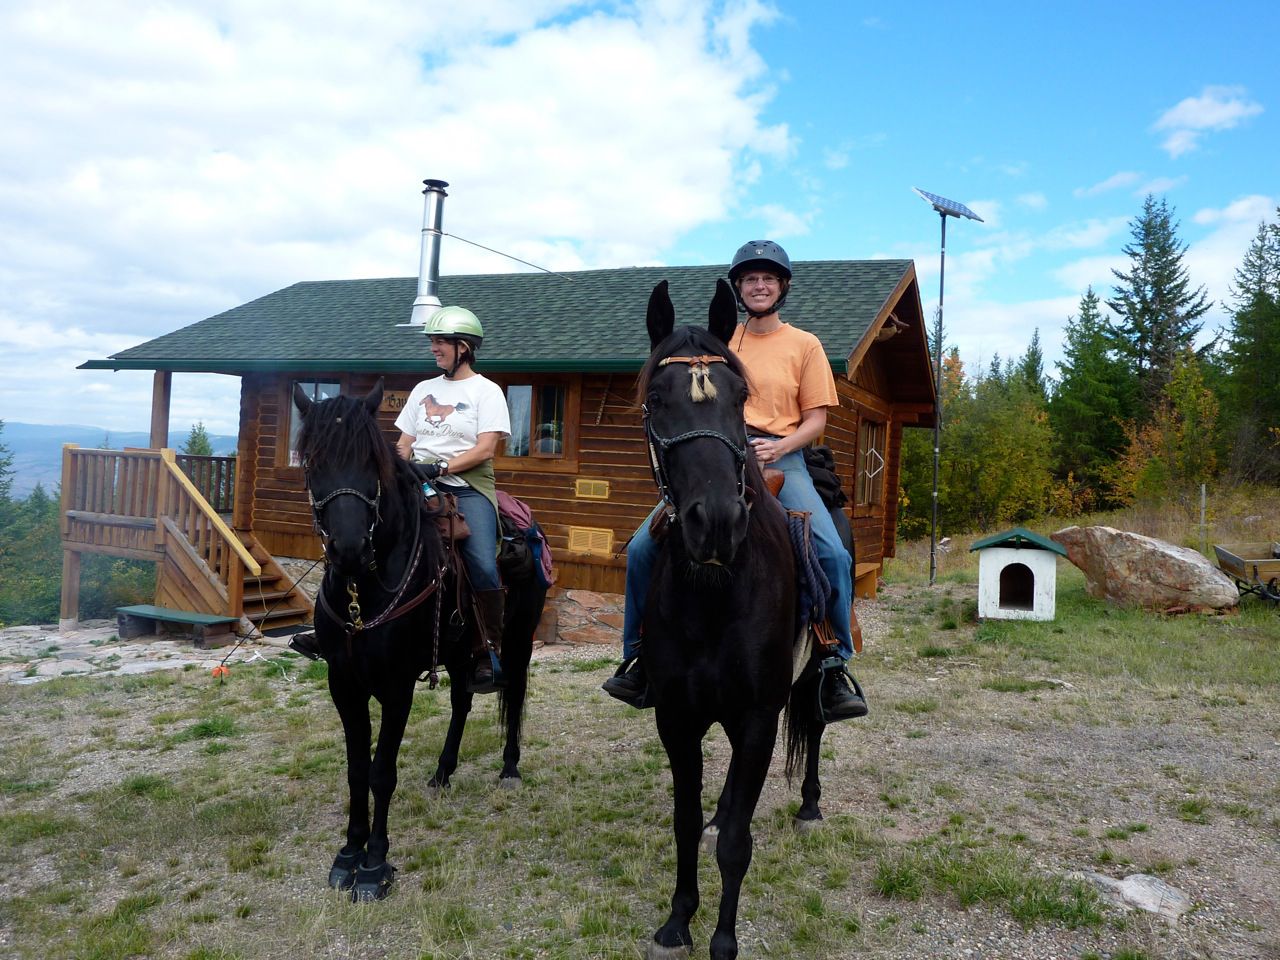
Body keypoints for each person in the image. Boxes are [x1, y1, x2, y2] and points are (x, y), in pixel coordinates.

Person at [603, 240, 868, 721]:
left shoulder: (804, 344)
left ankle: (833, 662)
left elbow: (817, 420)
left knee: (830, 549)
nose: (759, 286)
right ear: (739, 289)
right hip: (721, 455)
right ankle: (638, 656)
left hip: (783, 457)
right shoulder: (720, 344)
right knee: (643, 547)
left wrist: (781, 447)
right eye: (750, 279)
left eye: (768, 278)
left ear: (782, 287)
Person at [394, 305, 510, 693]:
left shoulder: (486, 391)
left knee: (480, 560)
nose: (434, 348)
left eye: (441, 341)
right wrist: (399, 470)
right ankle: (336, 628)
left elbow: (485, 449)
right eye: (432, 341)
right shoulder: (422, 390)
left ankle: (487, 649)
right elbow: (404, 444)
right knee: (365, 532)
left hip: (467, 486)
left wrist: (441, 469)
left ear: (464, 347)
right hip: (416, 482)